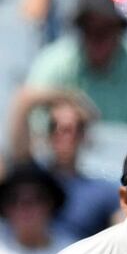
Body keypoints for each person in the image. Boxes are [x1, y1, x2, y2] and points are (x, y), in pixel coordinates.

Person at [24, 0, 127, 133]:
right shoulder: (53, 63)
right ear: (79, 31)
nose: (97, 38)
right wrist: (63, 101)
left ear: (119, 31)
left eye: (105, 29)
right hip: (71, 155)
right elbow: (33, 129)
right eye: (89, 29)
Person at [8, 91, 120, 241]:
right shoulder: (32, 178)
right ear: (47, 134)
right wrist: (70, 97)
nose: (63, 133)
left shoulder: (102, 191)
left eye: (74, 128)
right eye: (54, 126)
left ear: (84, 135)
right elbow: (24, 100)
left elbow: (123, 234)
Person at [0, 162, 71, 254]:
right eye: (14, 199)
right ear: (5, 208)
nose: (24, 206)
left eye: (37, 198)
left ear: (51, 204)